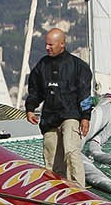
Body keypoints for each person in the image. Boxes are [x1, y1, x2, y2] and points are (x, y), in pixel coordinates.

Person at [24, 28, 93, 188]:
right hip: (50, 118)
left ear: (62, 44)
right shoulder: (42, 66)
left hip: (71, 115)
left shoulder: (78, 66)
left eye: (51, 45)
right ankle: (57, 190)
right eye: (46, 45)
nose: (47, 48)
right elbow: (35, 91)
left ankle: (78, 188)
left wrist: (85, 117)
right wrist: (30, 108)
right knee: (51, 159)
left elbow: (84, 93)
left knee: (71, 151)